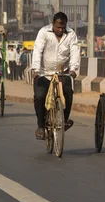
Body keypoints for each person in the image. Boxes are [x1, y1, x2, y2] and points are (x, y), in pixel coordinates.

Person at [31, 12, 80, 140]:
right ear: (53, 24)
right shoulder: (43, 32)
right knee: (39, 96)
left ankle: (64, 119)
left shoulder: (71, 34)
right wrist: (35, 69)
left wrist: (73, 69)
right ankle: (41, 126)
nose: (60, 30)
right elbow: (37, 50)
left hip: (62, 73)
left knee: (68, 91)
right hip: (44, 73)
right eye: (58, 27)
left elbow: (75, 52)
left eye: (63, 27)